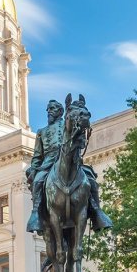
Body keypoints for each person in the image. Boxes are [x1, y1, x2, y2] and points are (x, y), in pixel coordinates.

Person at [26, 98, 111, 233]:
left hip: (71, 161)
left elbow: (80, 141)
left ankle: (97, 211)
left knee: (91, 180)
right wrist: (34, 169)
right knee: (37, 181)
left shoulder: (68, 125)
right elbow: (37, 155)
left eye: (52, 109)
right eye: (48, 109)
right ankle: (36, 212)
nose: (49, 111)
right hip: (48, 163)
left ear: (60, 111)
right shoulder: (41, 132)